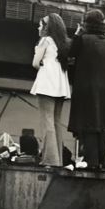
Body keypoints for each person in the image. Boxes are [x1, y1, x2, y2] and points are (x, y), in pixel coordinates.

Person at [67, 10, 105, 169]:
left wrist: (77, 34)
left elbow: (70, 52)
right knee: (100, 126)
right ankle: (103, 161)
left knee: (88, 125)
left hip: (87, 88)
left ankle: (92, 162)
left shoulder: (83, 39)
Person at [30, 13, 71, 167]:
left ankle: (49, 159)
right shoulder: (63, 43)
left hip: (46, 83)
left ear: (48, 27)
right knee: (56, 122)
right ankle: (58, 159)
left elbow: (35, 63)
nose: (39, 27)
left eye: (41, 25)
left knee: (47, 121)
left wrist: (41, 62)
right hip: (61, 84)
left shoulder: (45, 40)